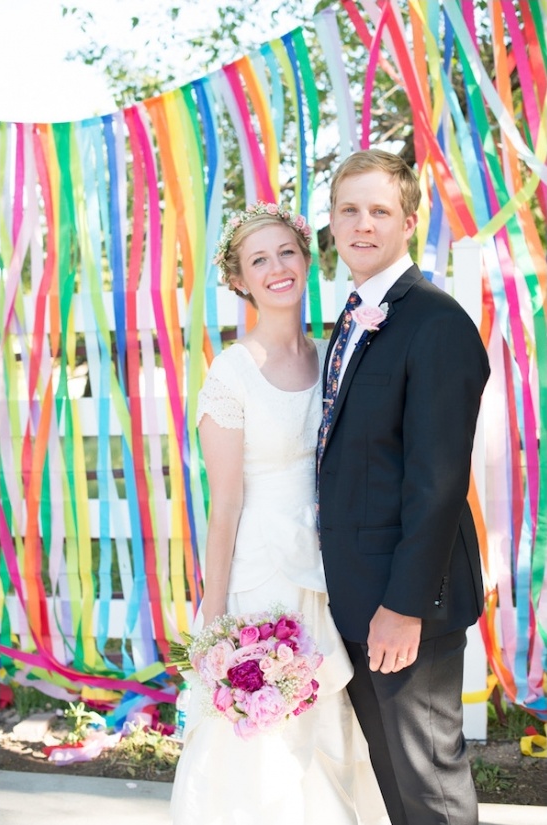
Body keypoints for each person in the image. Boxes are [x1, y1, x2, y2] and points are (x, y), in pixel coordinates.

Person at [170, 201, 390, 825]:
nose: (276, 269)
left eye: (286, 252)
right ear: (239, 280)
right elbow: (225, 507)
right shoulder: (233, 374)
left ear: (306, 256)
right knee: (262, 736)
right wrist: (214, 622)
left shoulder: (328, 357)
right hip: (261, 579)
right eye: (258, 260)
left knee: (327, 729)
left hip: (327, 571)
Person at [316, 148, 490, 825]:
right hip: (355, 596)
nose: (363, 224)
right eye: (349, 210)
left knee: (431, 792)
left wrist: (404, 605)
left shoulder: (436, 322)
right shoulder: (354, 317)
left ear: (408, 221)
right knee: (397, 791)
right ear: (331, 223)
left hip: (407, 603)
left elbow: (437, 482)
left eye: (379, 210)